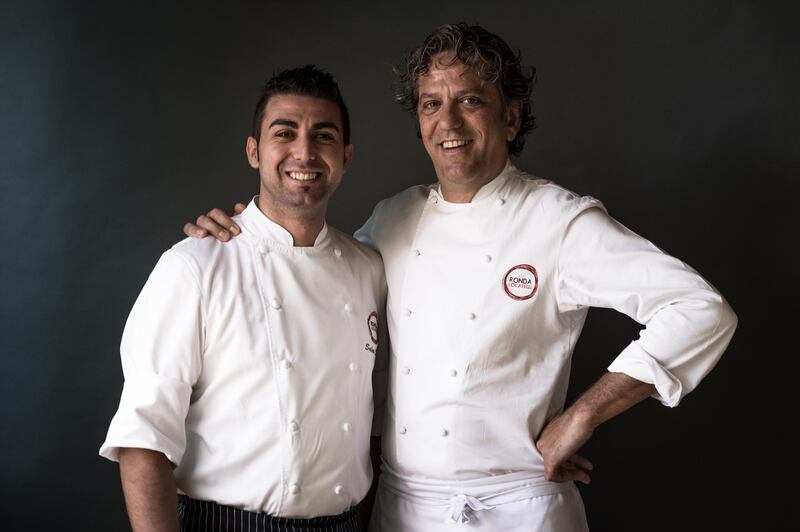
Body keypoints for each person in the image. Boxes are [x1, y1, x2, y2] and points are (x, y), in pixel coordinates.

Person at [185, 24, 737, 532]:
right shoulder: (394, 217)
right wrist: (245, 229)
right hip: (400, 508)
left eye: (470, 100)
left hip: (520, 506)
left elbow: (698, 309)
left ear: (511, 118)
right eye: (431, 104)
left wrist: (582, 417)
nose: (447, 122)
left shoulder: (560, 221)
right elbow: (313, 267)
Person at [100, 65, 386, 532]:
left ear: (346, 155)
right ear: (254, 151)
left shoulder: (367, 268)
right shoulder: (195, 265)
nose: (304, 151)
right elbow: (142, 442)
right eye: (284, 132)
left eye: (324, 136)